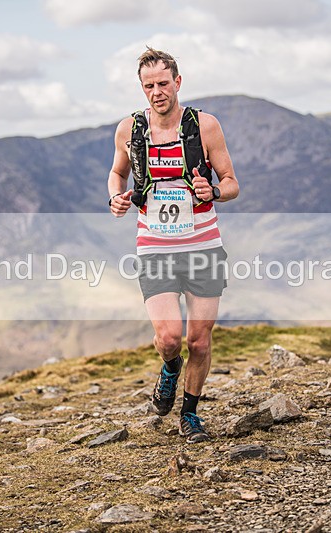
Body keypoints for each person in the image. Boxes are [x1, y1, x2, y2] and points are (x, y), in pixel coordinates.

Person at [108, 47, 239, 442]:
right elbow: (117, 173)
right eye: (149, 86)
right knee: (169, 337)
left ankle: (191, 414)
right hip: (154, 246)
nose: (156, 92)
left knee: (199, 340)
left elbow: (232, 183)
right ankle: (169, 367)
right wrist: (116, 196)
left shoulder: (205, 126)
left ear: (177, 82)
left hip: (203, 245)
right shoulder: (130, 130)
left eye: (163, 83)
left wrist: (213, 191)